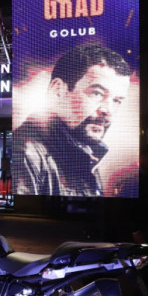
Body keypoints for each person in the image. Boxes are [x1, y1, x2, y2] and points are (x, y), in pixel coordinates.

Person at [13, 43, 132, 197]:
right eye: (97, 93)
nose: (108, 110)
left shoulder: (84, 153)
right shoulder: (25, 152)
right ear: (58, 91)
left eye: (117, 100)